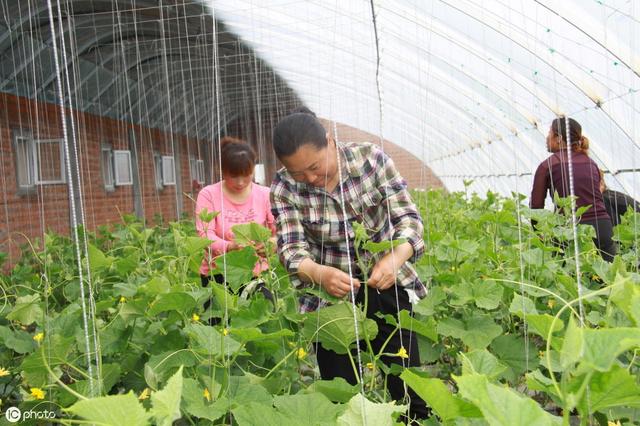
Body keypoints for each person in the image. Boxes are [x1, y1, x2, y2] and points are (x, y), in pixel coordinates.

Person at [270, 108, 429, 421]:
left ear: (330, 142)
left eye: (315, 167)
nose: (311, 178)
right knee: (340, 395)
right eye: (300, 173)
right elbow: (291, 249)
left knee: (408, 386)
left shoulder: (371, 161)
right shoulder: (284, 187)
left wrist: (394, 258)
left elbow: (409, 221)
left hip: (385, 285)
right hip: (328, 297)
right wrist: (318, 273)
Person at [195, 137, 276, 318]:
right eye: (234, 175)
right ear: (222, 171)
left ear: (253, 169)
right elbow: (204, 235)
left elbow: (278, 231)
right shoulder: (208, 195)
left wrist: (270, 243)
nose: (240, 182)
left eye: (246, 174)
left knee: (264, 320)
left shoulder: (264, 195)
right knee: (218, 329)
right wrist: (229, 247)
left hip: (255, 272)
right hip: (217, 273)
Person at [530, 117, 616, 261]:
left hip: (569, 229)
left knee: (570, 278)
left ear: (559, 138)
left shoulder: (548, 165)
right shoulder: (591, 163)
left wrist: (539, 232)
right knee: (608, 277)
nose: (546, 138)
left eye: (549, 133)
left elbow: (536, 206)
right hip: (602, 227)